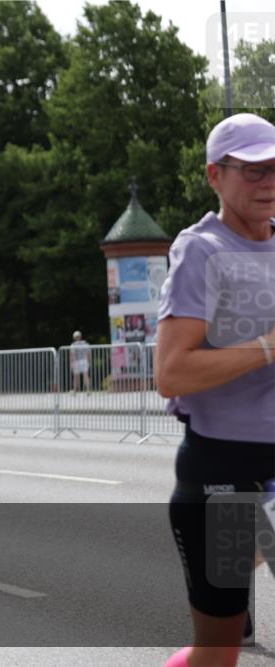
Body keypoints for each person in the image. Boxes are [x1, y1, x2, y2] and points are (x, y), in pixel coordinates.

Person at [156, 112, 275, 667]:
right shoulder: (201, 250)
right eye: (251, 170)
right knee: (220, 650)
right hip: (223, 475)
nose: (268, 180)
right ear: (214, 175)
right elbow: (172, 373)